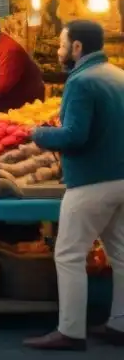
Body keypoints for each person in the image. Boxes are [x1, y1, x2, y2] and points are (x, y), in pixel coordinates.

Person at [24, 20, 124, 351]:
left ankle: (70, 331)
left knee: (68, 254)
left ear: (78, 47)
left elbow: (74, 136)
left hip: (91, 181)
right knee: (120, 254)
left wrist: (39, 134)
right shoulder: (118, 75)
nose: (58, 50)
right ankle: (119, 324)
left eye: (62, 44)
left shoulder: (81, 82)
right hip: (120, 179)